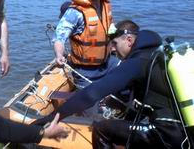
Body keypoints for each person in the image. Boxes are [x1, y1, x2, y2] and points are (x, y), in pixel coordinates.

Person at [34, 20, 186, 148]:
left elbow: (90, 94)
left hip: (167, 134)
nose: (112, 49)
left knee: (102, 129)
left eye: (114, 43)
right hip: (184, 129)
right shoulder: (158, 55)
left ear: (129, 40)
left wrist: (51, 118)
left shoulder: (137, 62)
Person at [53, 0, 119, 89]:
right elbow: (59, 37)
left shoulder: (106, 5)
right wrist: (59, 55)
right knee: (91, 106)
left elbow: (111, 29)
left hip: (108, 62)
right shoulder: (75, 12)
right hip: (85, 70)